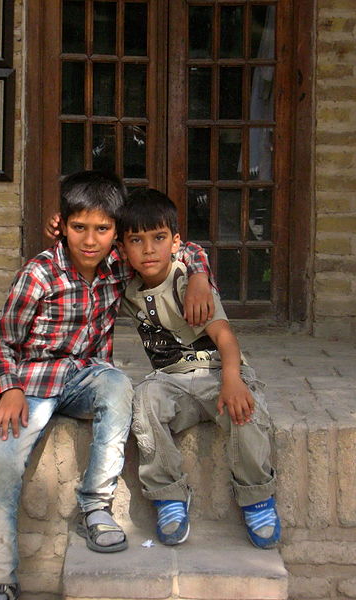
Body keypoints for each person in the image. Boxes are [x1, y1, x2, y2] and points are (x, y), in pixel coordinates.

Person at [0, 171, 214, 600]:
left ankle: (94, 507)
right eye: (78, 228)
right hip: (31, 384)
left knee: (119, 384)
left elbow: (182, 247)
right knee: (3, 464)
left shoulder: (117, 266)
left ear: (117, 235)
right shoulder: (39, 275)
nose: (90, 240)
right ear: (61, 226)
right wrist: (7, 389)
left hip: (86, 378)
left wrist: (198, 277)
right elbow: (2, 342)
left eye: (102, 230)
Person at [117, 188, 281, 549]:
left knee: (247, 413)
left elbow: (225, 338)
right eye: (136, 240)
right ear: (123, 249)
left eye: (158, 238)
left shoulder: (187, 282)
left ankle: (257, 497)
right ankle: (169, 495)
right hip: (172, 383)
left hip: (218, 373)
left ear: (174, 242)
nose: (148, 250)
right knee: (143, 400)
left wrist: (233, 380)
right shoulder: (127, 287)